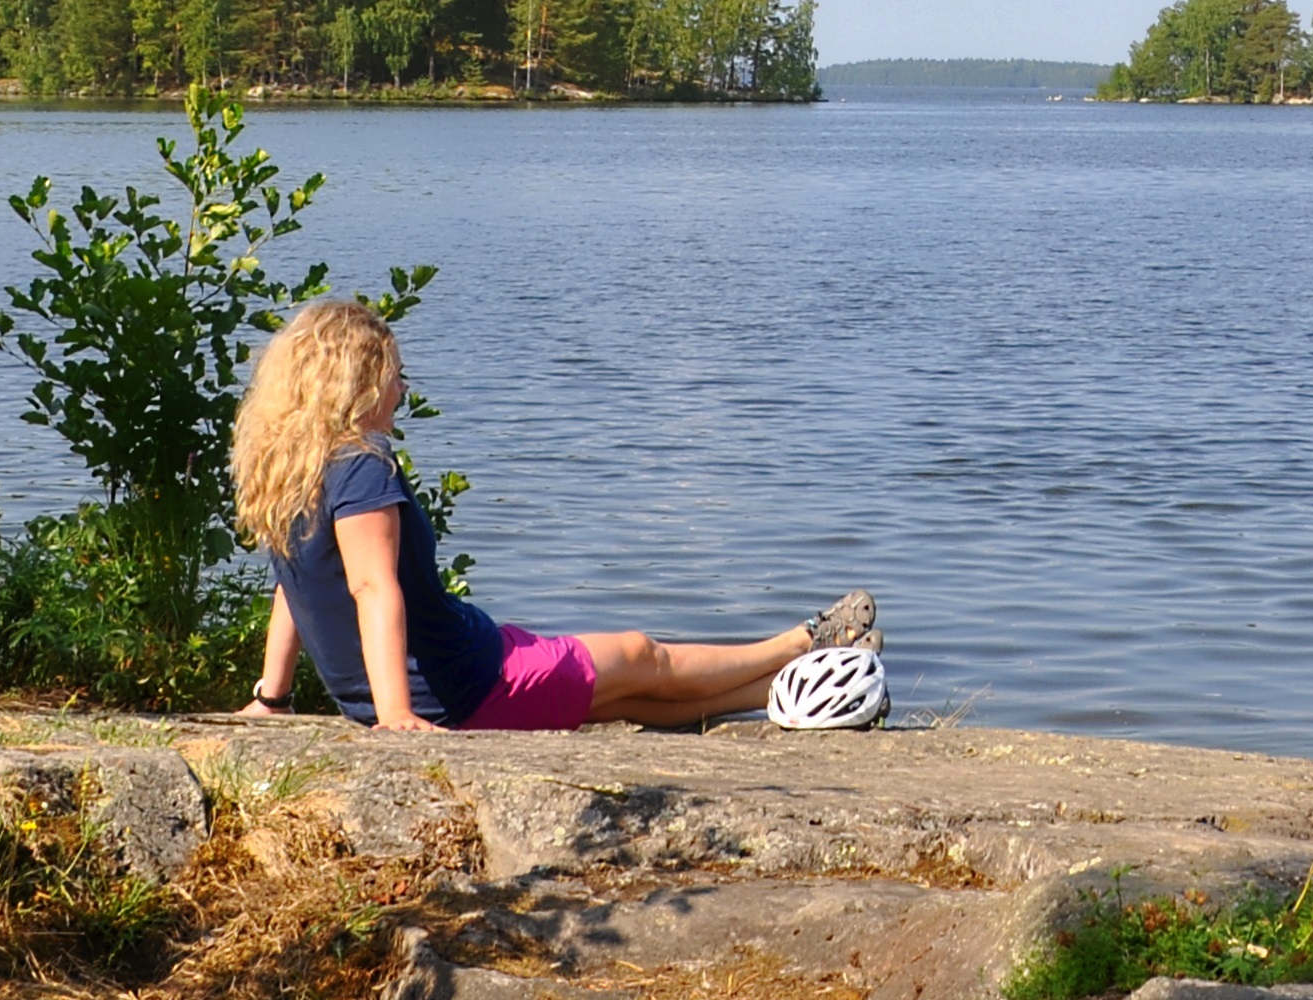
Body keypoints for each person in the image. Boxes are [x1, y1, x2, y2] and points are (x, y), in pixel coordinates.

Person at [225, 294, 876, 731]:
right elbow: (370, 587)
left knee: (619, 695)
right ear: (355, 384)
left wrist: (271, 696)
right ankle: (797, 642)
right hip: (463, 687)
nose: (403, 387)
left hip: (461, 661)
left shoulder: (292, 466)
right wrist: (396, 714)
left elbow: (295, 583)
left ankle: (779, 690)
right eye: (395, 373)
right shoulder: (361, 467)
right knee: (638, 655)